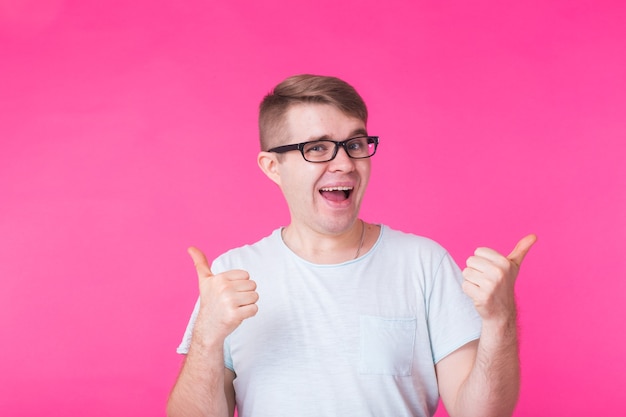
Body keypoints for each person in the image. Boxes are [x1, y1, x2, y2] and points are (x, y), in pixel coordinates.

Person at [166, 74, 536, 417]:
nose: (344, 162)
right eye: (318, 147)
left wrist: (500, 320)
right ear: (272, 167)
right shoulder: (234, 272)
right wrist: (207, 336)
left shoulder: (425, 263)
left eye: (355, 144)